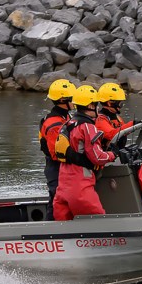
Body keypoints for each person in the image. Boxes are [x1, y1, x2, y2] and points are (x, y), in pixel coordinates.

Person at [52, 84, 119, 221]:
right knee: (98, 222)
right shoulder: (88, 127)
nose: (98, 108)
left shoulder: (67, 124)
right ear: (90, 106)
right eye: (96, 104)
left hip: (63, 185)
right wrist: (114, 155)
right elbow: (97, 157)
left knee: (63, 226)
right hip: (80, 186)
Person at [95, 82, 142, 212]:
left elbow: (121, 130)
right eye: (119, 102)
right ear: (110, 103)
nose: (121, 104)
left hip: (116, 158)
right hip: (106, 162)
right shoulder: (101, 120)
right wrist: (132, 124)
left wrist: (135, 126)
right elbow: (112, 134)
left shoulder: (116, 118)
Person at [38, 78, 77, 220]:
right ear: (62, 100)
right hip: (56, 168)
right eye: (73, 98)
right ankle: (51, 231)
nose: (75, 101)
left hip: (61, 167)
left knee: (57, 199)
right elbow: (57, 153)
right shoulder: (54, 123)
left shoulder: (64, 116)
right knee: (57, 200)